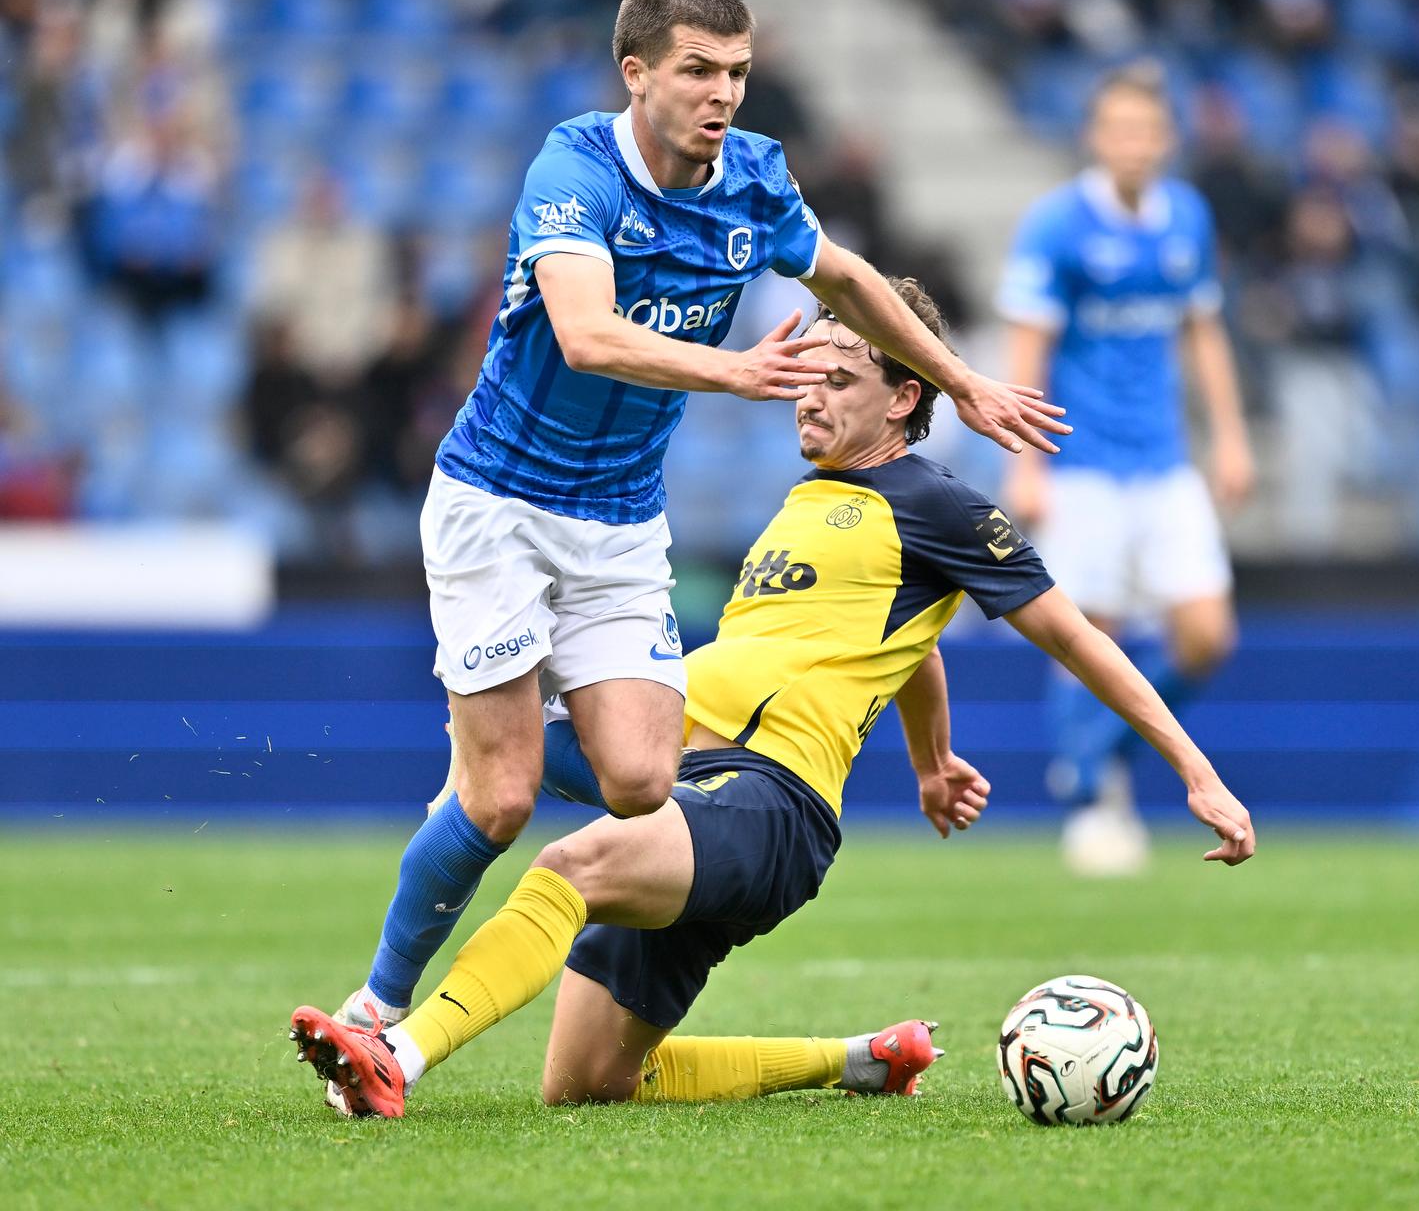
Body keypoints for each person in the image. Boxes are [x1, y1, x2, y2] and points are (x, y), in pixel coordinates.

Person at [288, 279, 1254, 1118]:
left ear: (903, 396)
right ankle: (861, 1062)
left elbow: (1077, 637)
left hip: (767, 803)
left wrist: (1196, 774)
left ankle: (395, 1050)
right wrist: (930, 760)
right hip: (690, 784)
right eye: (807, 373)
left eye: (840, 378)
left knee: (570, 861)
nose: (808, 393)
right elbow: (910, 643)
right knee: (583, 1085)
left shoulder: (940, 503)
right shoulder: (815, 499)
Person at [330, 0, 1068, 1036]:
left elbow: (851, 280)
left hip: (622, 515)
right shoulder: (574, 166)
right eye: (697, 70)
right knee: (498, 800)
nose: (722, 93)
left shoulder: (757, 180)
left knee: (639, 777)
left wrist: (962, 380)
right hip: (501, 496)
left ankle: (513, 723)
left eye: (738, 72)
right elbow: (585, 333)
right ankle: (378, 1000)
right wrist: (734, 372)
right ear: (637, 75)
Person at [996, 64, 1254, 876]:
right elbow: (1029, 345)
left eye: (1147, 131)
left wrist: (1232, 437)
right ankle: (1094, 804)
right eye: (1119, 131)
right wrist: (1027, 461)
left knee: (1207, 634)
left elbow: (1202, 331)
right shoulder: (1056, 226)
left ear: (1166, 139)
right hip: (1083, 465)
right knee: (1089, 637)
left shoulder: (1188, 219)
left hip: (1165, 458)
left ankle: (1089, 758)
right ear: (1096, 138)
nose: (1134, 145)